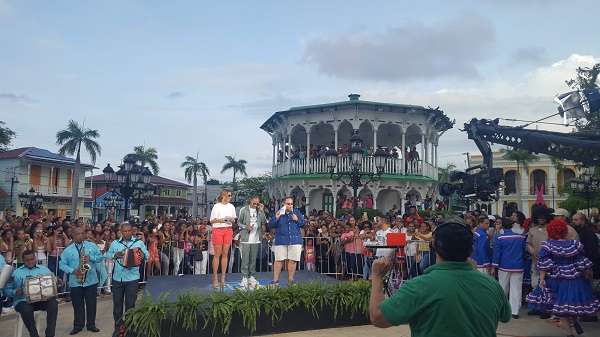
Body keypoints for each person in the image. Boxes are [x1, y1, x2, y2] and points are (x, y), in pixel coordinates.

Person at [370, 217, 511, 336]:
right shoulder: (491, 285)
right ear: (471, 251)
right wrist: (473, 274)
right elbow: (505, 316)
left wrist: (377, 276)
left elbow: (378, 317)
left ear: (434, 246)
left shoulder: (419, 286)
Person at [525, 219, 600, 336]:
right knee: (571, 303)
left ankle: (570, 334)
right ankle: (575, 321)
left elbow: (544, 265)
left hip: (555, 279)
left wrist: (542, 279)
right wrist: (586, 273)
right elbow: (580, 261)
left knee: (562, 309)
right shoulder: (573, 245)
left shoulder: (548, 245)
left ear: (550, 231)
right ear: (565, 231)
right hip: (573, 278)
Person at [526, 208, 579, 318]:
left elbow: (572, 250)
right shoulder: (533, 230)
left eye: (557, 216)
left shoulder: (566, 231)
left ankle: (554, 312)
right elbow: (528, 244)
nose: (554, 218)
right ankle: (543, 309)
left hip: (557, 267)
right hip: (542, 263)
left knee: (556, 290)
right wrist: (533, 252)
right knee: (537, 285)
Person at [105, 223, 150, 334]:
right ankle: (118, 327)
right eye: (125, 231)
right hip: (118, 278)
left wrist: (143, 255)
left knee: (130, 304)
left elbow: (147, 254)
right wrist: (115, 255)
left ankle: (129, 326)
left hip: (132, 278)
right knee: (117, 304)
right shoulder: (115, 243)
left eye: (129, 231)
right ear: (121, 231)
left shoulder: (138, 243)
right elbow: (108, 254)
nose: (128, 233)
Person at [59, 228, 103, 334]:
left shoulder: (91, 246)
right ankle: (78, 325)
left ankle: (91, 325)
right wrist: (72, 270)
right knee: (77, 304)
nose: (80, 236)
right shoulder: (68, 250)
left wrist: (91, 257)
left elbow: (100, 257)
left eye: (82, 234)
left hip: (91, 280)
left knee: (91, 303)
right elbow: (61, 264)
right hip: (75, 281)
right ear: (73, 235)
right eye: (77, 234)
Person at [5, 250, 59, 337]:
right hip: (23, 301)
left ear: (35, 258)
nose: (30, 262)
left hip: (41, 299)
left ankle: (50, 334)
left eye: (32, 259)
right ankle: (34, 334)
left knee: (53, 303)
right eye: (27, 260)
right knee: (26, 309)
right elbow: (7, 290)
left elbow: (53, 282)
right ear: (23, 260)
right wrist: (15, 292)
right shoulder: (16, 273)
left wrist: (58, 283)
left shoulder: (44, 269)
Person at [491, 218, 526, 319]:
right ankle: (515, 311)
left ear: (502, 226)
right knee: (517, 288)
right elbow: (523, 250)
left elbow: (497, 253)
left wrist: (494, 267)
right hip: (518, 265)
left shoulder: (500, 238)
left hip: (504, 265)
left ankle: (502, 310)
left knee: (502, 287)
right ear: (512, 225)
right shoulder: (520, 237)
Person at [268, 197, 306, 285]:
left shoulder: (296, 212)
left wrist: (297, 220)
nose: (290, 205)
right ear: (283, 204)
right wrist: (276, 218)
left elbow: (304, 224)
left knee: (293, 260)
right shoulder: (278, 213)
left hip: (294, 239)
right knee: (278, 260)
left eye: (291, 204)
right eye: (288, 204)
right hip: (281, 239)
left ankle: (291, 279)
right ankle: (275, 279)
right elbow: (271, 225)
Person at [237, 196, 267, 289]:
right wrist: (246, 227)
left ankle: (251, 276)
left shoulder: (259, 210)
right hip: (246, 238)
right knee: (245, 259)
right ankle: (244, 277)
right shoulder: (244, 209)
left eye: (257, 203)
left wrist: (262, 211)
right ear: (250, 201)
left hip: (256, 238)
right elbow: (238, 222)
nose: (255, 205)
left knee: (253, 259)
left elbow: (263, 222)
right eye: (254, 203)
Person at [209, 189, 237, 288]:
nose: (230, 197)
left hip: (228, 229)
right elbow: (211, 221)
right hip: (218, 229)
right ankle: (215, 277)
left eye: (231, 195)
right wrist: (219, 220)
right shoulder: (217, 206)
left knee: (225, 253)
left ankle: (223, 277)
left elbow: (234, 219)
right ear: (224, 196)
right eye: (229, 195)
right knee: (217, 254)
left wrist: (232, 220)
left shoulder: (231, 207)